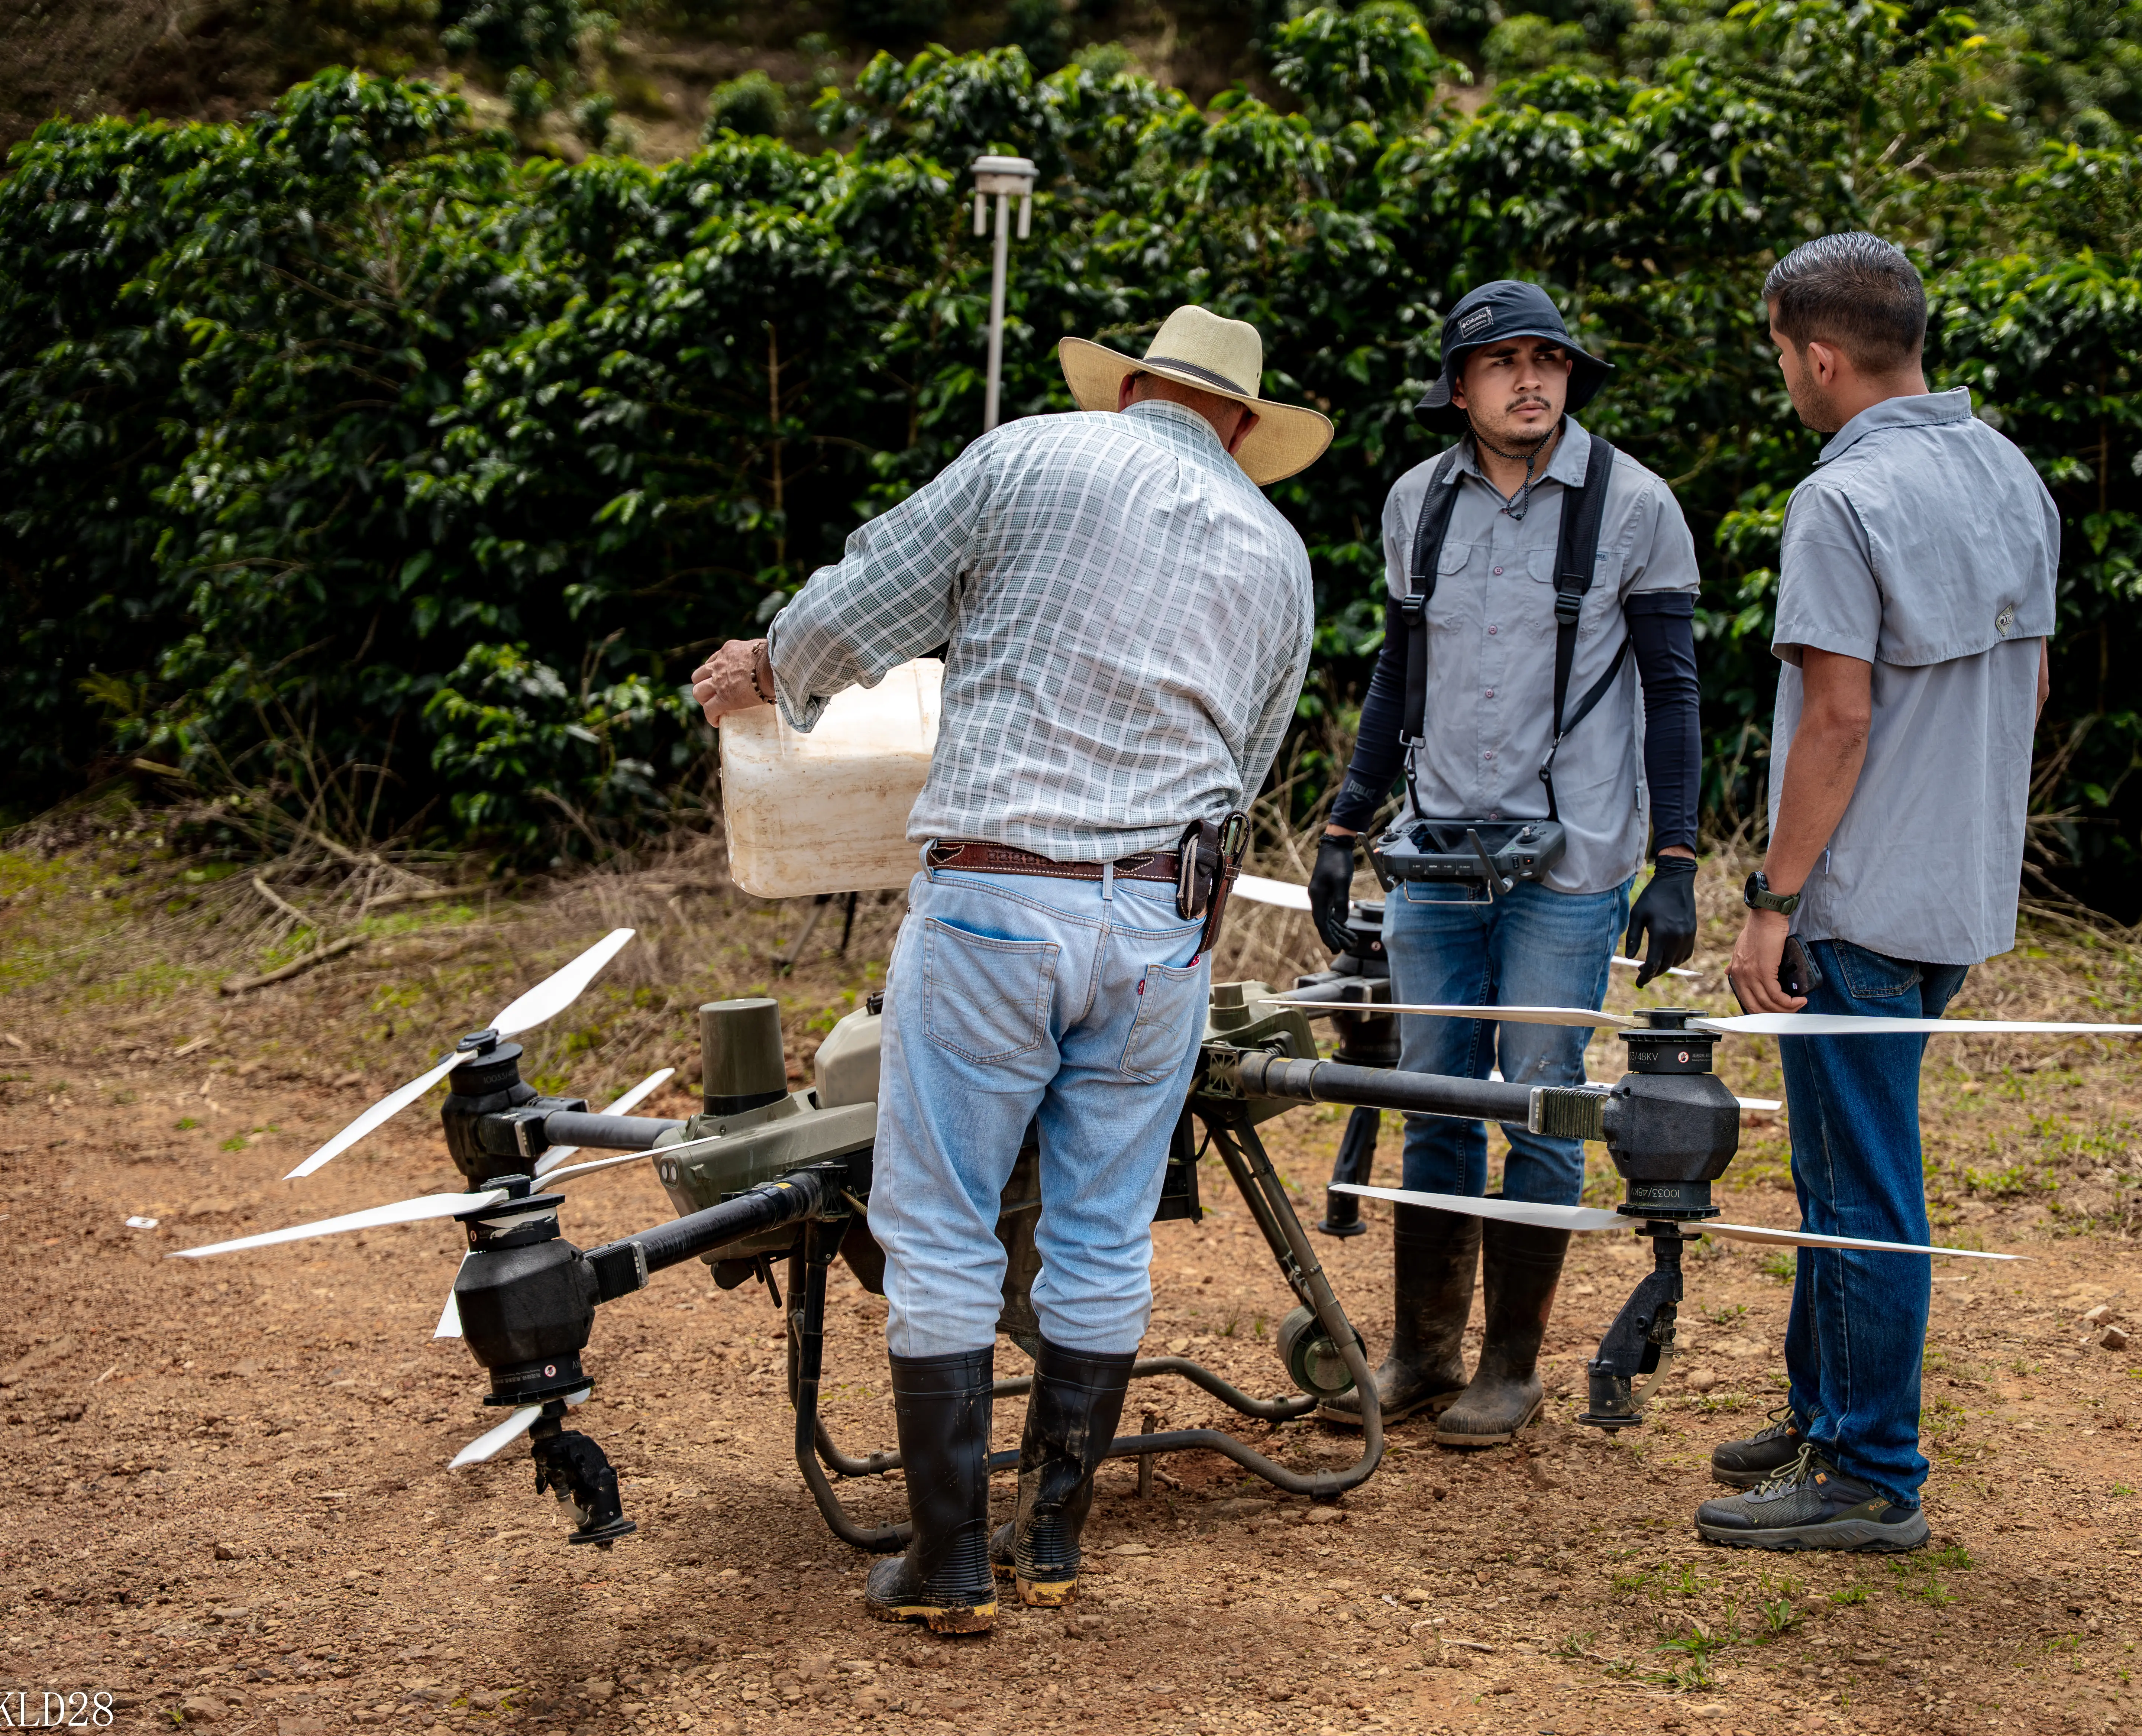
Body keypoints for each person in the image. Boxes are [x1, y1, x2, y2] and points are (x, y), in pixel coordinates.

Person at [691, 306, 1327, 1630]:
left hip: (999, 899)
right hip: (1163, 925)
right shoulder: (1279, 554)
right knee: (1102, 1231)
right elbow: (1250, 770)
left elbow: (873, 594)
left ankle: (949, 1560)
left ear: (1132, 390)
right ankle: (1052, 1539)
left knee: (938, 1222)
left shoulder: (1033, 457)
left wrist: (774, 667)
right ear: (1243, 428)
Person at [1694, 233, 2056, 1552]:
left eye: (1782, 351)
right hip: (1954, 887)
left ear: (1821, 352)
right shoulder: (2008, 472)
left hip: (1857, 899)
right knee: (1842, 1163)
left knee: (1858, 1186)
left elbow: (1836, 722)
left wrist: (1772, 897)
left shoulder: (1840, 504)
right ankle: (1823, 1408)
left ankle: (1869, 1473)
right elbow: (2031, 688)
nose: (1784, 372)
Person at [1308, 281, 1703, 1448]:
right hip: (1435, 853)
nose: (1532, 380)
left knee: (1539, 1106)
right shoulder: (1415, 505)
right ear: (1461, 385)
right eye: (1504, 362)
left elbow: (1674, 693)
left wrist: (1673, 855)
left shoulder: (1635, 506)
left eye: (1550, 360)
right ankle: (1421, 1353)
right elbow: (1397, 675)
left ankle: (1512, 1367)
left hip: (1572, 863)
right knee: (1432, 1100)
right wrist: (1345, 820)